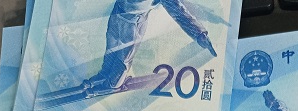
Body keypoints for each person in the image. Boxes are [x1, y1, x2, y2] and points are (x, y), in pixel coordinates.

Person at [86, 0, 217, 94]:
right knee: (111, 47)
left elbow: (178, 11)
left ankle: (113, 83)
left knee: (123, 56)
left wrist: (199, 34)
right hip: (117, 13)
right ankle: (104, 74)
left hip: (133, 23)